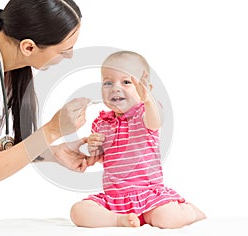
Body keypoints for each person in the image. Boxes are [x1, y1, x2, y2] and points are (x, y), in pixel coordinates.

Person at [0, 0, 91, 235]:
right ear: (28, 47)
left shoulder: (3, 65)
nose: (70, 57)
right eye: (65, 50)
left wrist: (51, 152)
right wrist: (52, 130)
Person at [70, 51, 206, 228]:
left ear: (144, 88)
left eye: (126, 82)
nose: (115, 88)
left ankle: (190, 211)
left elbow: (156, 121)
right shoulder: (102, 122)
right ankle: (118, 220)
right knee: (78, 211)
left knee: (166, 218)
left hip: (149, 197)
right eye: (108, 82)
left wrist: (148, 99)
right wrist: (94, 148)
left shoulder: (144, 114)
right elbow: (102, 157)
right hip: (115, 200)